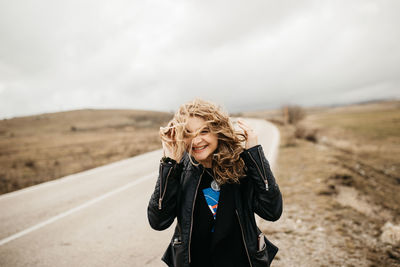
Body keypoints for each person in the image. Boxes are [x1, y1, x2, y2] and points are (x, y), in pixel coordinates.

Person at [147, 98, 283, 267]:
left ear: (218, 131)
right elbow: (158, 221)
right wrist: (169, 164)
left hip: (239, 261)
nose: (196, 141)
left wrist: (254, 154)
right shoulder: (179, 169)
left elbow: (272, 211)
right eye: (188, 133)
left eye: (204, 131)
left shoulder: (241, 166)